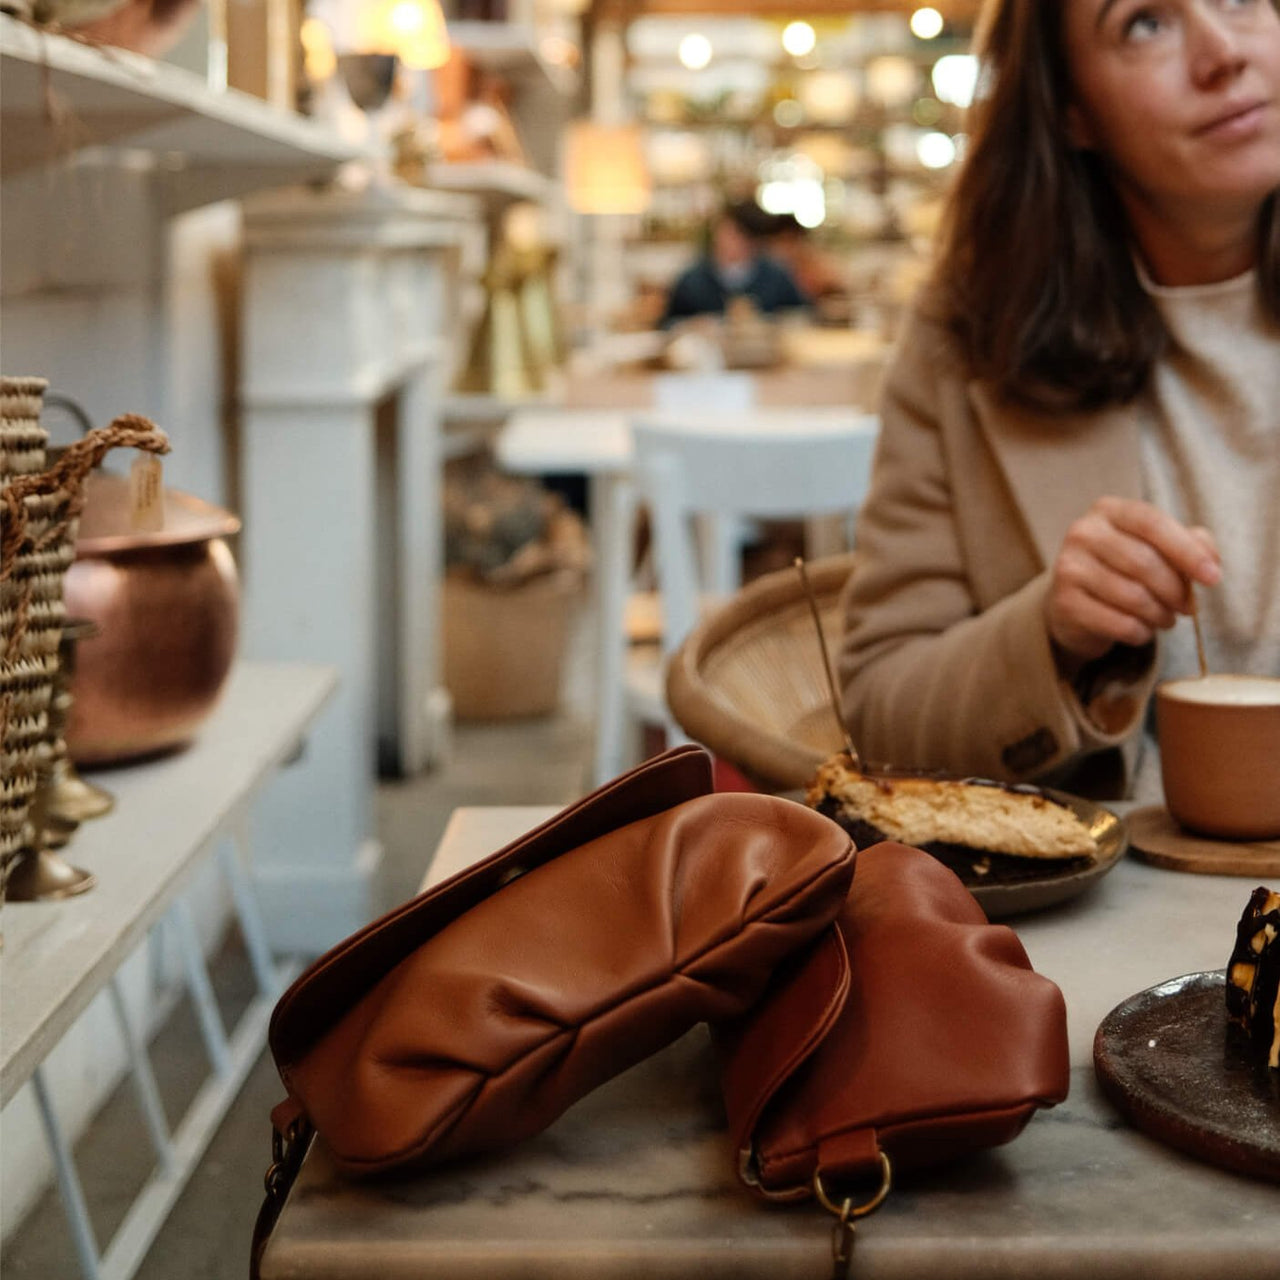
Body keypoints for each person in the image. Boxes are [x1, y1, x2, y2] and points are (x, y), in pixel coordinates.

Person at [837, 0, 1280, 801]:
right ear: (1071, 109)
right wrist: (1050, 636)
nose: (1222, 51)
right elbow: (878, 712)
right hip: (1119, 913)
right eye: (1144, 22)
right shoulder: (969, 337)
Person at [660, 199, 810, 327]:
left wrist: (768, 323)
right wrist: (692, 325)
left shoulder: (775, 276)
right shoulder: (692, 280)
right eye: (726, 232)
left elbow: (802, 314)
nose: (729, 242)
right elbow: (667, 324)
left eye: (739, 236)